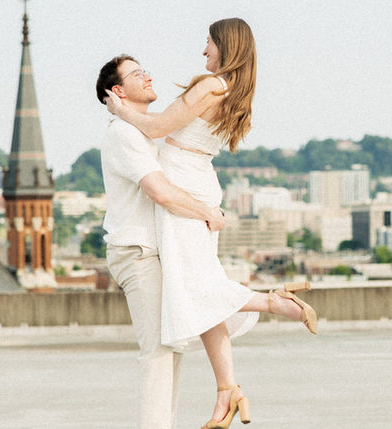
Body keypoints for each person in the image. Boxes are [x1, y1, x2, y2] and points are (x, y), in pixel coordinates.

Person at [104, 18, 317, 429]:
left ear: (224, 44)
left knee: (196, 288)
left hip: (184, 185)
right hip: (197, 181)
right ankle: (228, 391)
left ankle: (275, 303)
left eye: (208, 43)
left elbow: (159, 126)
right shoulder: (233, 90)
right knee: (197, 289)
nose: (204, 52)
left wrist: (119, 109)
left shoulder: (211, 85)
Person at [96, 54, 227, 429]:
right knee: (157, 353)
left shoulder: (142, 131)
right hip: (138, 254)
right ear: (118, 91)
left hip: (156, 253)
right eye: (138, 74)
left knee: (170, 351)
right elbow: (161, 192)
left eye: (146, 69)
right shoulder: (123, 134)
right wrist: (206, 211)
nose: (148, 76)